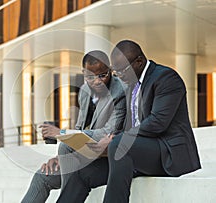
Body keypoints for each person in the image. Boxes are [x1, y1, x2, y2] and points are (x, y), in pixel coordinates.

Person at [56, 40, 201, 203]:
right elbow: (128, 125)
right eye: (115, 72)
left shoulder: (166, 78)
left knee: (118, 144)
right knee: (82, 173)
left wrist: (116, 140)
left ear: (139, 62)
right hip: (136, 152)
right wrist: (108, 140)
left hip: (168, 152)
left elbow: (158, 122)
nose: (118, 76)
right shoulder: (131, 85)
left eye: (121, 71)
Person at [21, 50, 126, 203]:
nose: (97, 81)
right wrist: (60, 159)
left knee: (65, 145)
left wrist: (62, 133)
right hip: (84, 154)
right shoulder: (84, 91)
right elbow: (79, 127)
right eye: (90, 77)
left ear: (110, 70)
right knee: (42, 176)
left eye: (103, 75)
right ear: (83, 73)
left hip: (107, 156)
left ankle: (68, 197)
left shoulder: (120, 92)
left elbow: (108, 131)